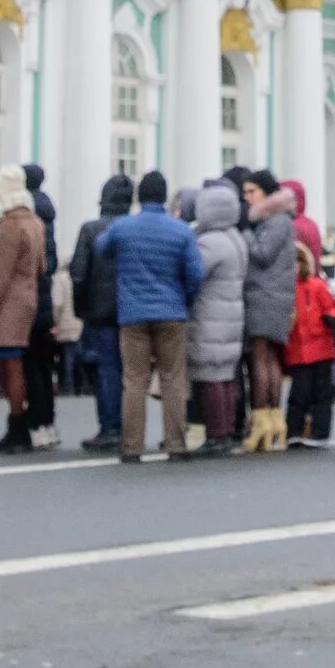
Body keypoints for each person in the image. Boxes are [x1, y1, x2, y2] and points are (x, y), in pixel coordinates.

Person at [104, 171, 203, 462]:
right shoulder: (182, 231)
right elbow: (196, 273)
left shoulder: (123, 227)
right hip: (172, 312)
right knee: (173, 379)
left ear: (139, 197)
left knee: (134, 380)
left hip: (132, 314)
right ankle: (177, 444)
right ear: (163, 197)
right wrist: (185, 298)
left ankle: (132, 447)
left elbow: (102, 247)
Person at [0, 170, 47, 455]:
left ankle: (17, 425)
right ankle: (20, 422)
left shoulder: (7, 226)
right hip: (28, 297)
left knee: (8, 363)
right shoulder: (35, 222)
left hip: (8, 303)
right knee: (13, 361)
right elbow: (42, 266)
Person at [183, 176, 249, 457]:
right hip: (230, 315)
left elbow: (192, 275)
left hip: (210, 316)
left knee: (210, 378)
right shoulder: (236, 238)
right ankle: (225, 431)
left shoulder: (210, 243)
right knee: (225, 377)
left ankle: (216, 434)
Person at [68, 174, 134, 453]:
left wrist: (80, 309)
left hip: (99, 312)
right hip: (132, 310)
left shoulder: (91, 229)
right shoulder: (133, 227)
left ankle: (110, 427)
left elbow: (79, 274)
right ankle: (130, 426)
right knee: (131, 372)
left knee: (105, 369)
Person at [240, 172, 299, 452]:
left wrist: (246, 232)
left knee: (260, 358)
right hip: (275, 296)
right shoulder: (280, 219)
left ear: (266, 192)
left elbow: (262, 254)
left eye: (252, 191)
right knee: (271, 358)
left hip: (264, 296)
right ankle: (274, 419)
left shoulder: (275, 221)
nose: (247, 197)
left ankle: (263, 418)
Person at [16, 162, 65, 450]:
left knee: (29, 365)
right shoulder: (49, 216)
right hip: (45, 298)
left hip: (29, 299)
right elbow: (53, 263)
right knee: (43, 366)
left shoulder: (27, 217)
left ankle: (35, 423)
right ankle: (47, 423)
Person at [285, 245, 335, 447]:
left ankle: (320, 432)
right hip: (298, 349)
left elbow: (333, 307)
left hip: (320, 346)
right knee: (299, 393)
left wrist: (331, 317)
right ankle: (294, 430)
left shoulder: (316, 286)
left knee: (321, 394)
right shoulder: (288, 288)